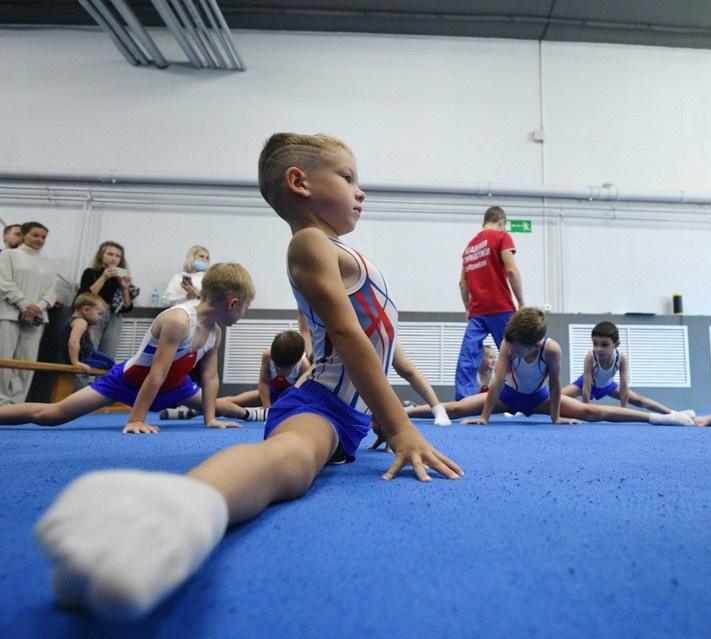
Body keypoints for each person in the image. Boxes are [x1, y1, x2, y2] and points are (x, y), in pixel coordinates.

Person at [33, 132, 462, 621]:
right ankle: (181, 510)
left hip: (350, 412)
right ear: (299, 182)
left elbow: (375, 344)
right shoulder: (310, 242)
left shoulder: (335, 251)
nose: (360, 191)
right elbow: (346, 335)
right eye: (348, 178)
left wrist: (380, 420)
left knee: (304, 459)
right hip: (320, 403)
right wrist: (403, 424)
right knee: (292, 460)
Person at [0, 262, 262, 433]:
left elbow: (210, 376)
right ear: (233, 303)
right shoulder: (179, 320)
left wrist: (210, 419)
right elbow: (156, 373)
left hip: (175, 386)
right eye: (246, 308)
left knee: (220, 406)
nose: (244, 314)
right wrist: (137, 419)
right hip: (128, 381)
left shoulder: (215, 332)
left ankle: (258, 414)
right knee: (52, 414)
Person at [406, 308, 695, 426]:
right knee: (454, 409)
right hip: (508, 396)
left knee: (594, 411)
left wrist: (556, 417)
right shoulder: (509, 343)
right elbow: (496, 382)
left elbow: (556, 386)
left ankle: (665, 418)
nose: (508, 346)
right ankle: (400, 412)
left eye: (515, 346)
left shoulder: (551, 350)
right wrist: (484, 416)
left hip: (540, 400)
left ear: (535, 345)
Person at [454, 206, 524, 400]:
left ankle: (464, 400)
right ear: (501, 222)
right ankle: (520, 397)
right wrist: (521, 302)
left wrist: (468, 309)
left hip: (477, 312)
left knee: (468, 357)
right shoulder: (501, 237)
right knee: (514, 354)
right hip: (501, 307)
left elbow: (462, 283)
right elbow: (512, 271)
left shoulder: (469, 247)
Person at [163, 329, 310, 419]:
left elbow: (299, 393)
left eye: (285, 369)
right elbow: (264, 383)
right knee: (233, 400)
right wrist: (267, 406)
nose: (281, 373)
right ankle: (189, 412)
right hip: (269, 393)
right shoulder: (267, 355)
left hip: (289, 398)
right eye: (278, 367)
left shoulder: (304, 365)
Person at [0, 222, 58, 405]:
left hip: (36, 318)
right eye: (35, 235)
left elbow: (51, 292)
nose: (40, 240)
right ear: (23, 235)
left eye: (43, 237)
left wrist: (38, 307)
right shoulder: (8, 255)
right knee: (4, 359)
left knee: (27, 363)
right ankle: (1, 402)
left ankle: (17, 404)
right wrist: (24, 305)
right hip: (9, 314)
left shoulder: (49, 263)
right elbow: (4, 283)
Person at [560, 321, 675, 414]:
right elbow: (586, 388)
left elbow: (624, 388)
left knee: (641, 401)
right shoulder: (591, 357)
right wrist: (586, 410)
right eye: (595, 343)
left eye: (604, 344)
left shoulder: (621, 358)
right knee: (554, 399)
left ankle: (673, 414)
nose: (598, 349)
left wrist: (623, 411)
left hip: (609, 386)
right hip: (583, 385)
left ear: (616, 344)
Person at [78, 241, 137, 359]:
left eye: (117, 256)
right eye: (110, 254)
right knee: (88, 353)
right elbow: (85, 296)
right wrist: (104, 277)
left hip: (114, 316)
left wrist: (125, 288)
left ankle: (103, 378)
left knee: (108, 356)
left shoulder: (120, 277)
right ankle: (82, 377)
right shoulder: (91, 273)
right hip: (93, 312)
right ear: (101, 255)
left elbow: (127, 307)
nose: (113, 258)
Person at [59, 292, 115, 372]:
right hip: (84, 357)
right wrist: (76, 362)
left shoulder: (73, 321)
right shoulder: (81, 322)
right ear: (86, 310)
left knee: (114, 362)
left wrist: (90, 329)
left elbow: (89, 344)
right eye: (99, 314)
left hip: (86, 355)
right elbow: (73, 342)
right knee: (114, 365)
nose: (101, 318)